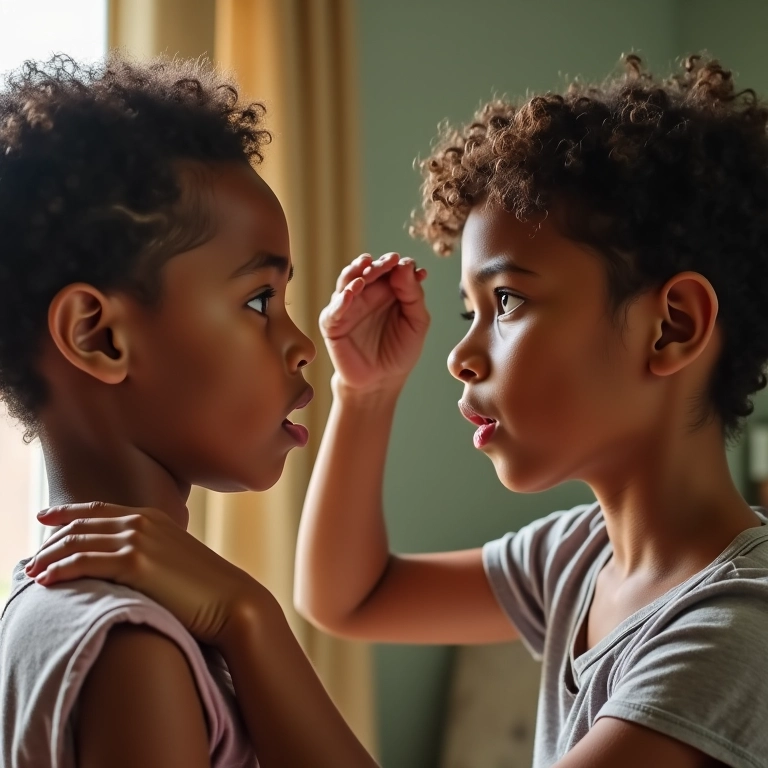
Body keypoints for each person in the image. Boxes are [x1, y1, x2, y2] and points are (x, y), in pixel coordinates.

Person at [25, 54, 768, 767]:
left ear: (671, 326)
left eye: (506, 302)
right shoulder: (580, 561)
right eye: (466, 309)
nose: (460, 355)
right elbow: (351, 596)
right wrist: (367, 393)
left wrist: (244, 616)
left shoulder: (738, 630)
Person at [0, 53, 380, 768]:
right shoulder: (133, 648)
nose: (302, 345)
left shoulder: (46, 609)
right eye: (259, 301)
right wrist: (251, 616)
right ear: (99, 335)